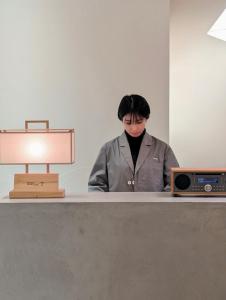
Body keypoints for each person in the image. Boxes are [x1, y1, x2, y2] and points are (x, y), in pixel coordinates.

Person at [88, 94, 179, 192]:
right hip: (117, 207)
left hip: (153, 207)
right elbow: (96, 185)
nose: (134, 128)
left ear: (146, 118)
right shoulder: (108, 149)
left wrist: (161, 205)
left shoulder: (163, 149)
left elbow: (175, 183)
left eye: (139, 122)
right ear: (121, 120)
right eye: (128, 122)